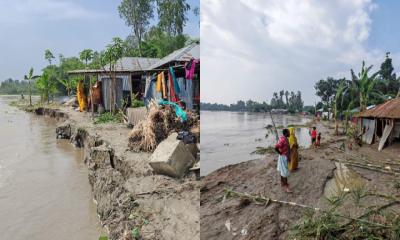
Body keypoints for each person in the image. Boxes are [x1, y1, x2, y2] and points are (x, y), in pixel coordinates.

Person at [275, 128, 292, 193]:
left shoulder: (285, 138)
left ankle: (282, 183)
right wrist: (281, 153)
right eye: (288, 132)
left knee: (282, 170)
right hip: (283, 157)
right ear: (285, 133)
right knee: (285, 172)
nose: (289, 133)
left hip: (284, 156)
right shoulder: (283, 139)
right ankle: (286, 187)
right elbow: (276, 147)